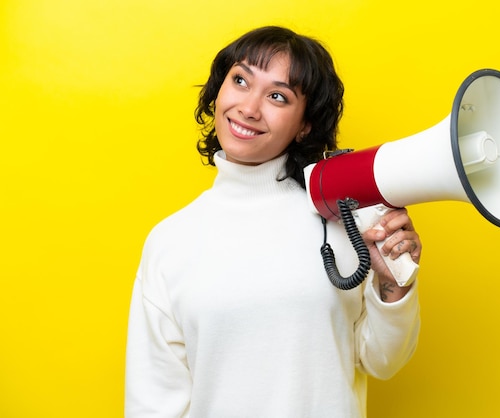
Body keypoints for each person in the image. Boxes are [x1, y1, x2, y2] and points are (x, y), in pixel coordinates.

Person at [125, 26, 422, 418]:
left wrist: (391, 285)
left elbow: (385, 360)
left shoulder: (349, 219)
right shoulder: (169, 241)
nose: (249, 108)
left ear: (305, 124)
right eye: (241, 80)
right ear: (219, 91)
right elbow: (153, 402)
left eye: (277, 96)